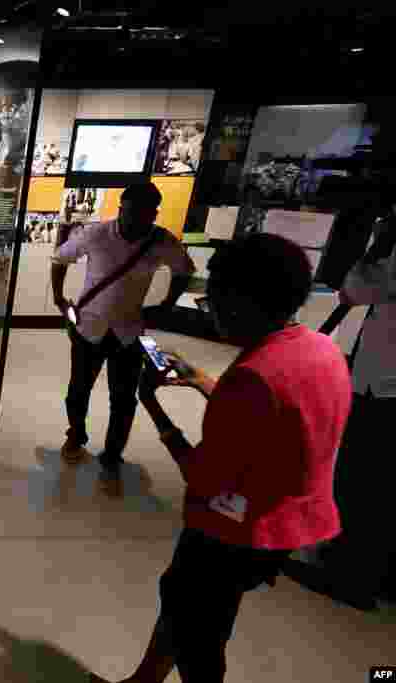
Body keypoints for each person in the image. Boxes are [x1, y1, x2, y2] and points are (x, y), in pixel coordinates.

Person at [101, 233, 351, 683]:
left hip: (236, 528)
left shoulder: (253, 377)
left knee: (198, 634)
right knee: (186, 607)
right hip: (291, 520)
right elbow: (273, 418)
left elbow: (202, 476)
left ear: (241, 301)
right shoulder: (322, 348)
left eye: (213, 300)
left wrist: (153, 406)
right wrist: (201, 379)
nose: (210, 311)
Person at [51, 182, 195, 487]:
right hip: (89, 327)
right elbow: (60, 258)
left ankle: (112, 456)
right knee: (78, 390)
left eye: (144, 214)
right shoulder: (96, 233)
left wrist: (167, 304)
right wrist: (58, 298)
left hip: (129, 333)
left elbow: (185, 269)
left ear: (153, 214)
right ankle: (75, 434)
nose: (135, 220)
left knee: (123, 400)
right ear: (120, 208)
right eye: (130, 212)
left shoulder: (161, 241)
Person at [314, 199, 396, 609]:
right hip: (380, 382)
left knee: (362, 481)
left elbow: (355, 289)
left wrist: (378, 244)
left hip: (384, 387)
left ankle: (350, 576)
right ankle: (374, 572)